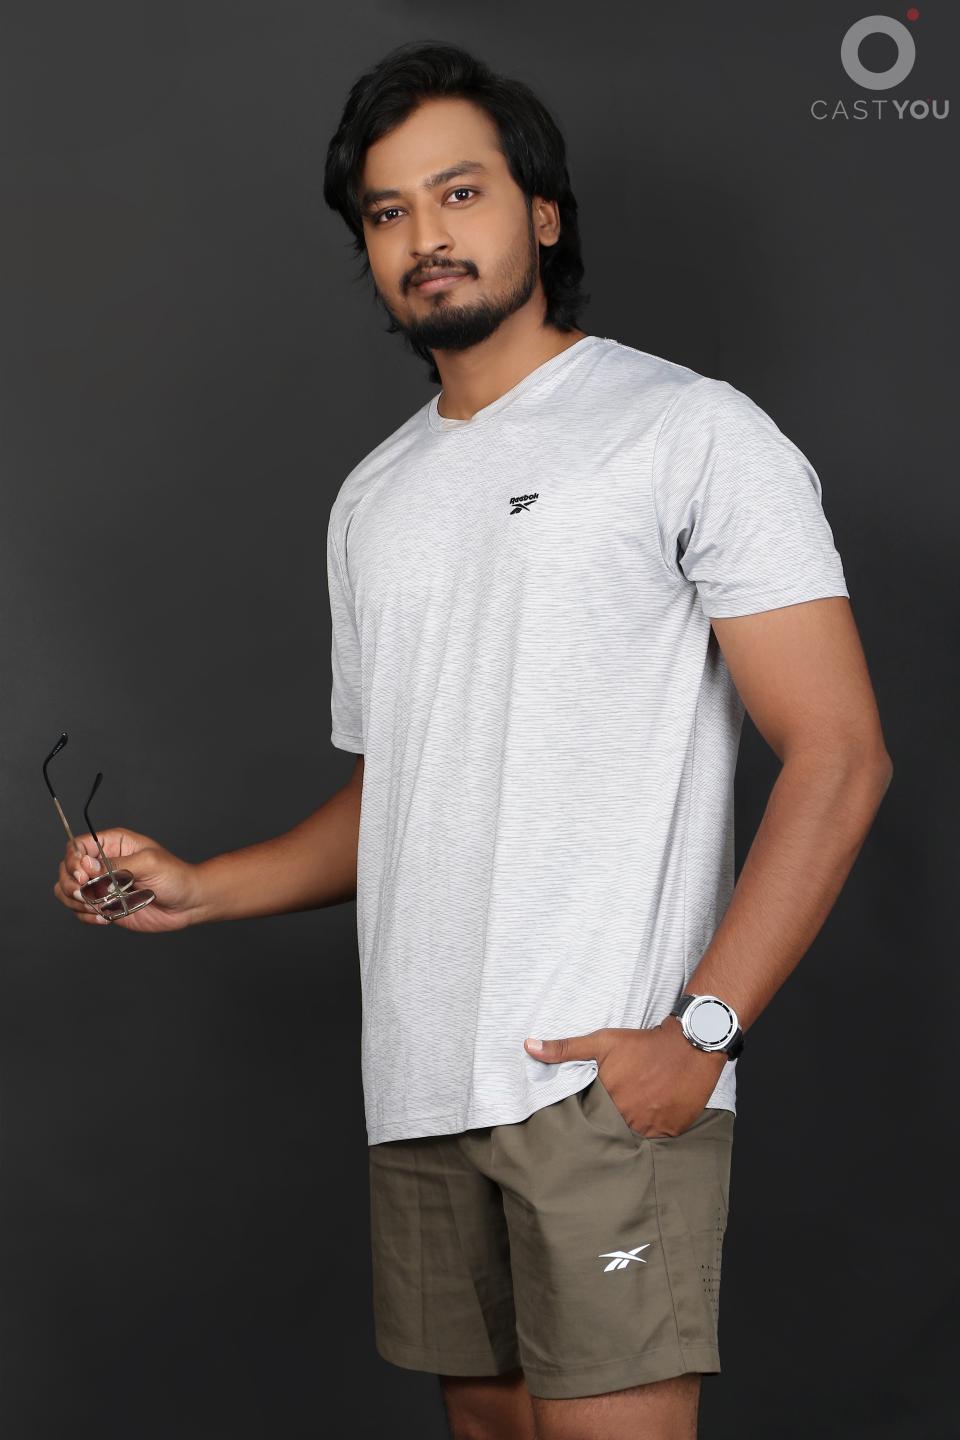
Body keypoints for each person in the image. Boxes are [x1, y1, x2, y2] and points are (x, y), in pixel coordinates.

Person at [54, 39, 894, 1440]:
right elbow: (404, 793)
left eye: (460, 193)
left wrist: (701, 1033)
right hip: (422, 1086)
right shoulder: (374, 499)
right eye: (388, 212)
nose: (425, 237)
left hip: (597, 1080)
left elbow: (841, 753)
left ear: (541, 213)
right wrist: (200, 886)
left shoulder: (685, 432)